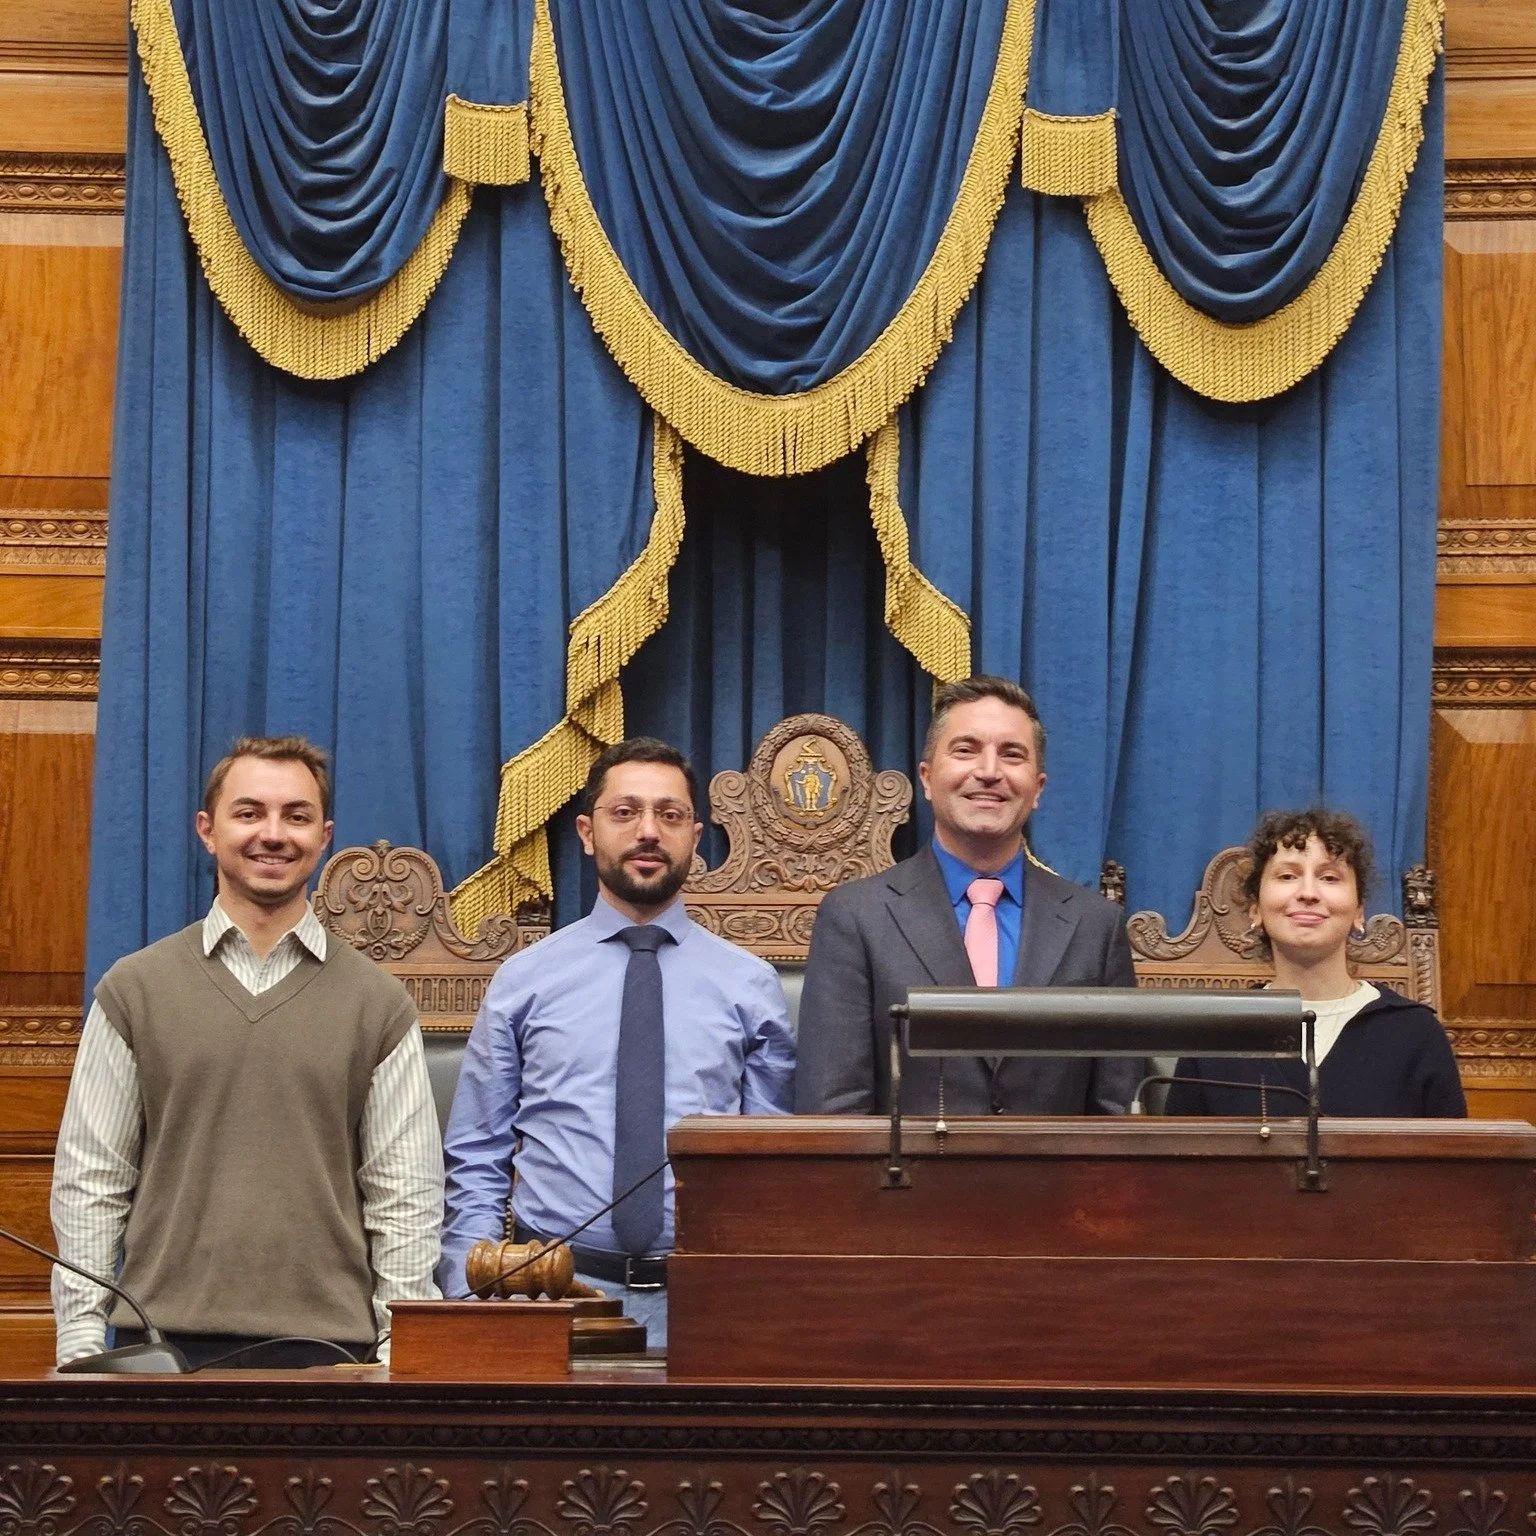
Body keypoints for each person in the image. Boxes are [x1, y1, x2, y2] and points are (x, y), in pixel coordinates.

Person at [50, 736, 444, 1370]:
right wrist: (79, 1349)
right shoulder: (134, 990)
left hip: (333, 1356)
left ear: (324, 836)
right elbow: (91, 1181)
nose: (273, 833)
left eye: (296, 815)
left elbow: (405, 1200)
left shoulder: (381, 1005)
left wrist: (399, 1357)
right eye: (249, 812)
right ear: (208, 831)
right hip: (157, 1353)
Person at [437, 737, 795, 1346]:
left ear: (696, 836)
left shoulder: (751, 986)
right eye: (625, 813)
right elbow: (478, 1154)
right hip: (545, 1298)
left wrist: (758, 1293)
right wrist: (473, 1288)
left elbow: (771, 1173)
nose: (648, 831)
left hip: (708, 1307)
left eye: (670, 814)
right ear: (586, 831)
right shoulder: (525, 981)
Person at [795, 675, 1142, 1117]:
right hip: (904, 1185)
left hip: (1059, 1186)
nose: (990, 771)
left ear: (1037, 788)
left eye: (1011, 755)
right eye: (966, 750)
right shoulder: (856, 917)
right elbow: (834, 1109)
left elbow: (1115, 1110)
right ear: (927, 778)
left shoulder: (1096, 925)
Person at [1165, 809, 1465, 1118]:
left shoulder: (1415, 1033)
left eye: (1330, 877)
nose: (1308, 893)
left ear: (1359, 912)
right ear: (1255, 910)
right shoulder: (1217, 1037)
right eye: (1287, 876)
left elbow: (1453, 1161)